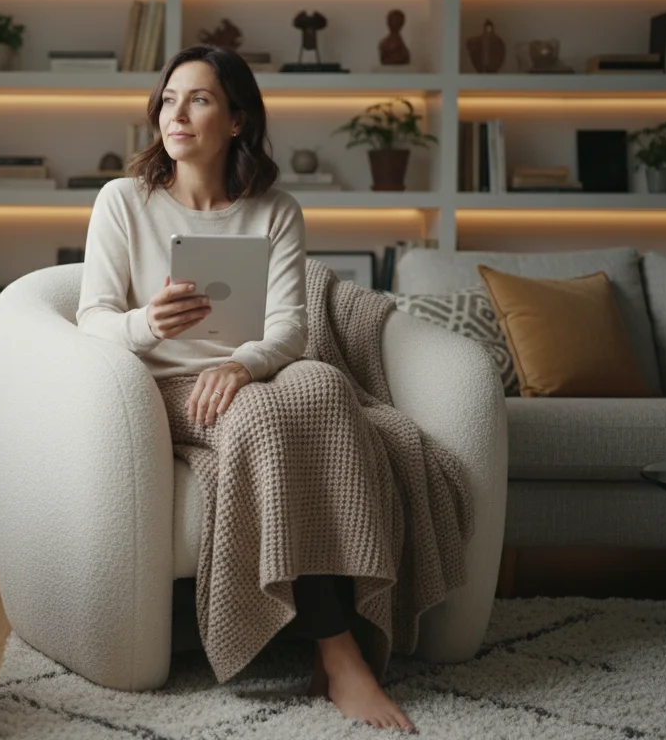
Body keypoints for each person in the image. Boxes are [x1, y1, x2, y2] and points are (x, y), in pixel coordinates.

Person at [75, 45, 416, 734]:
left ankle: (346, 629)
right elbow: (92, 320)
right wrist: (146, 323)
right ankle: (336, 646)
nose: (178, 113)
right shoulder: (124, 201)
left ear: (236, 120)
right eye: (169, 99)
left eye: (198, 99)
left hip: (255, 373)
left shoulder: (273, 209)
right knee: (262, 414)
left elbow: (291, 327)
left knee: (325, 385)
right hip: (169, 388)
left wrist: (242, 363)